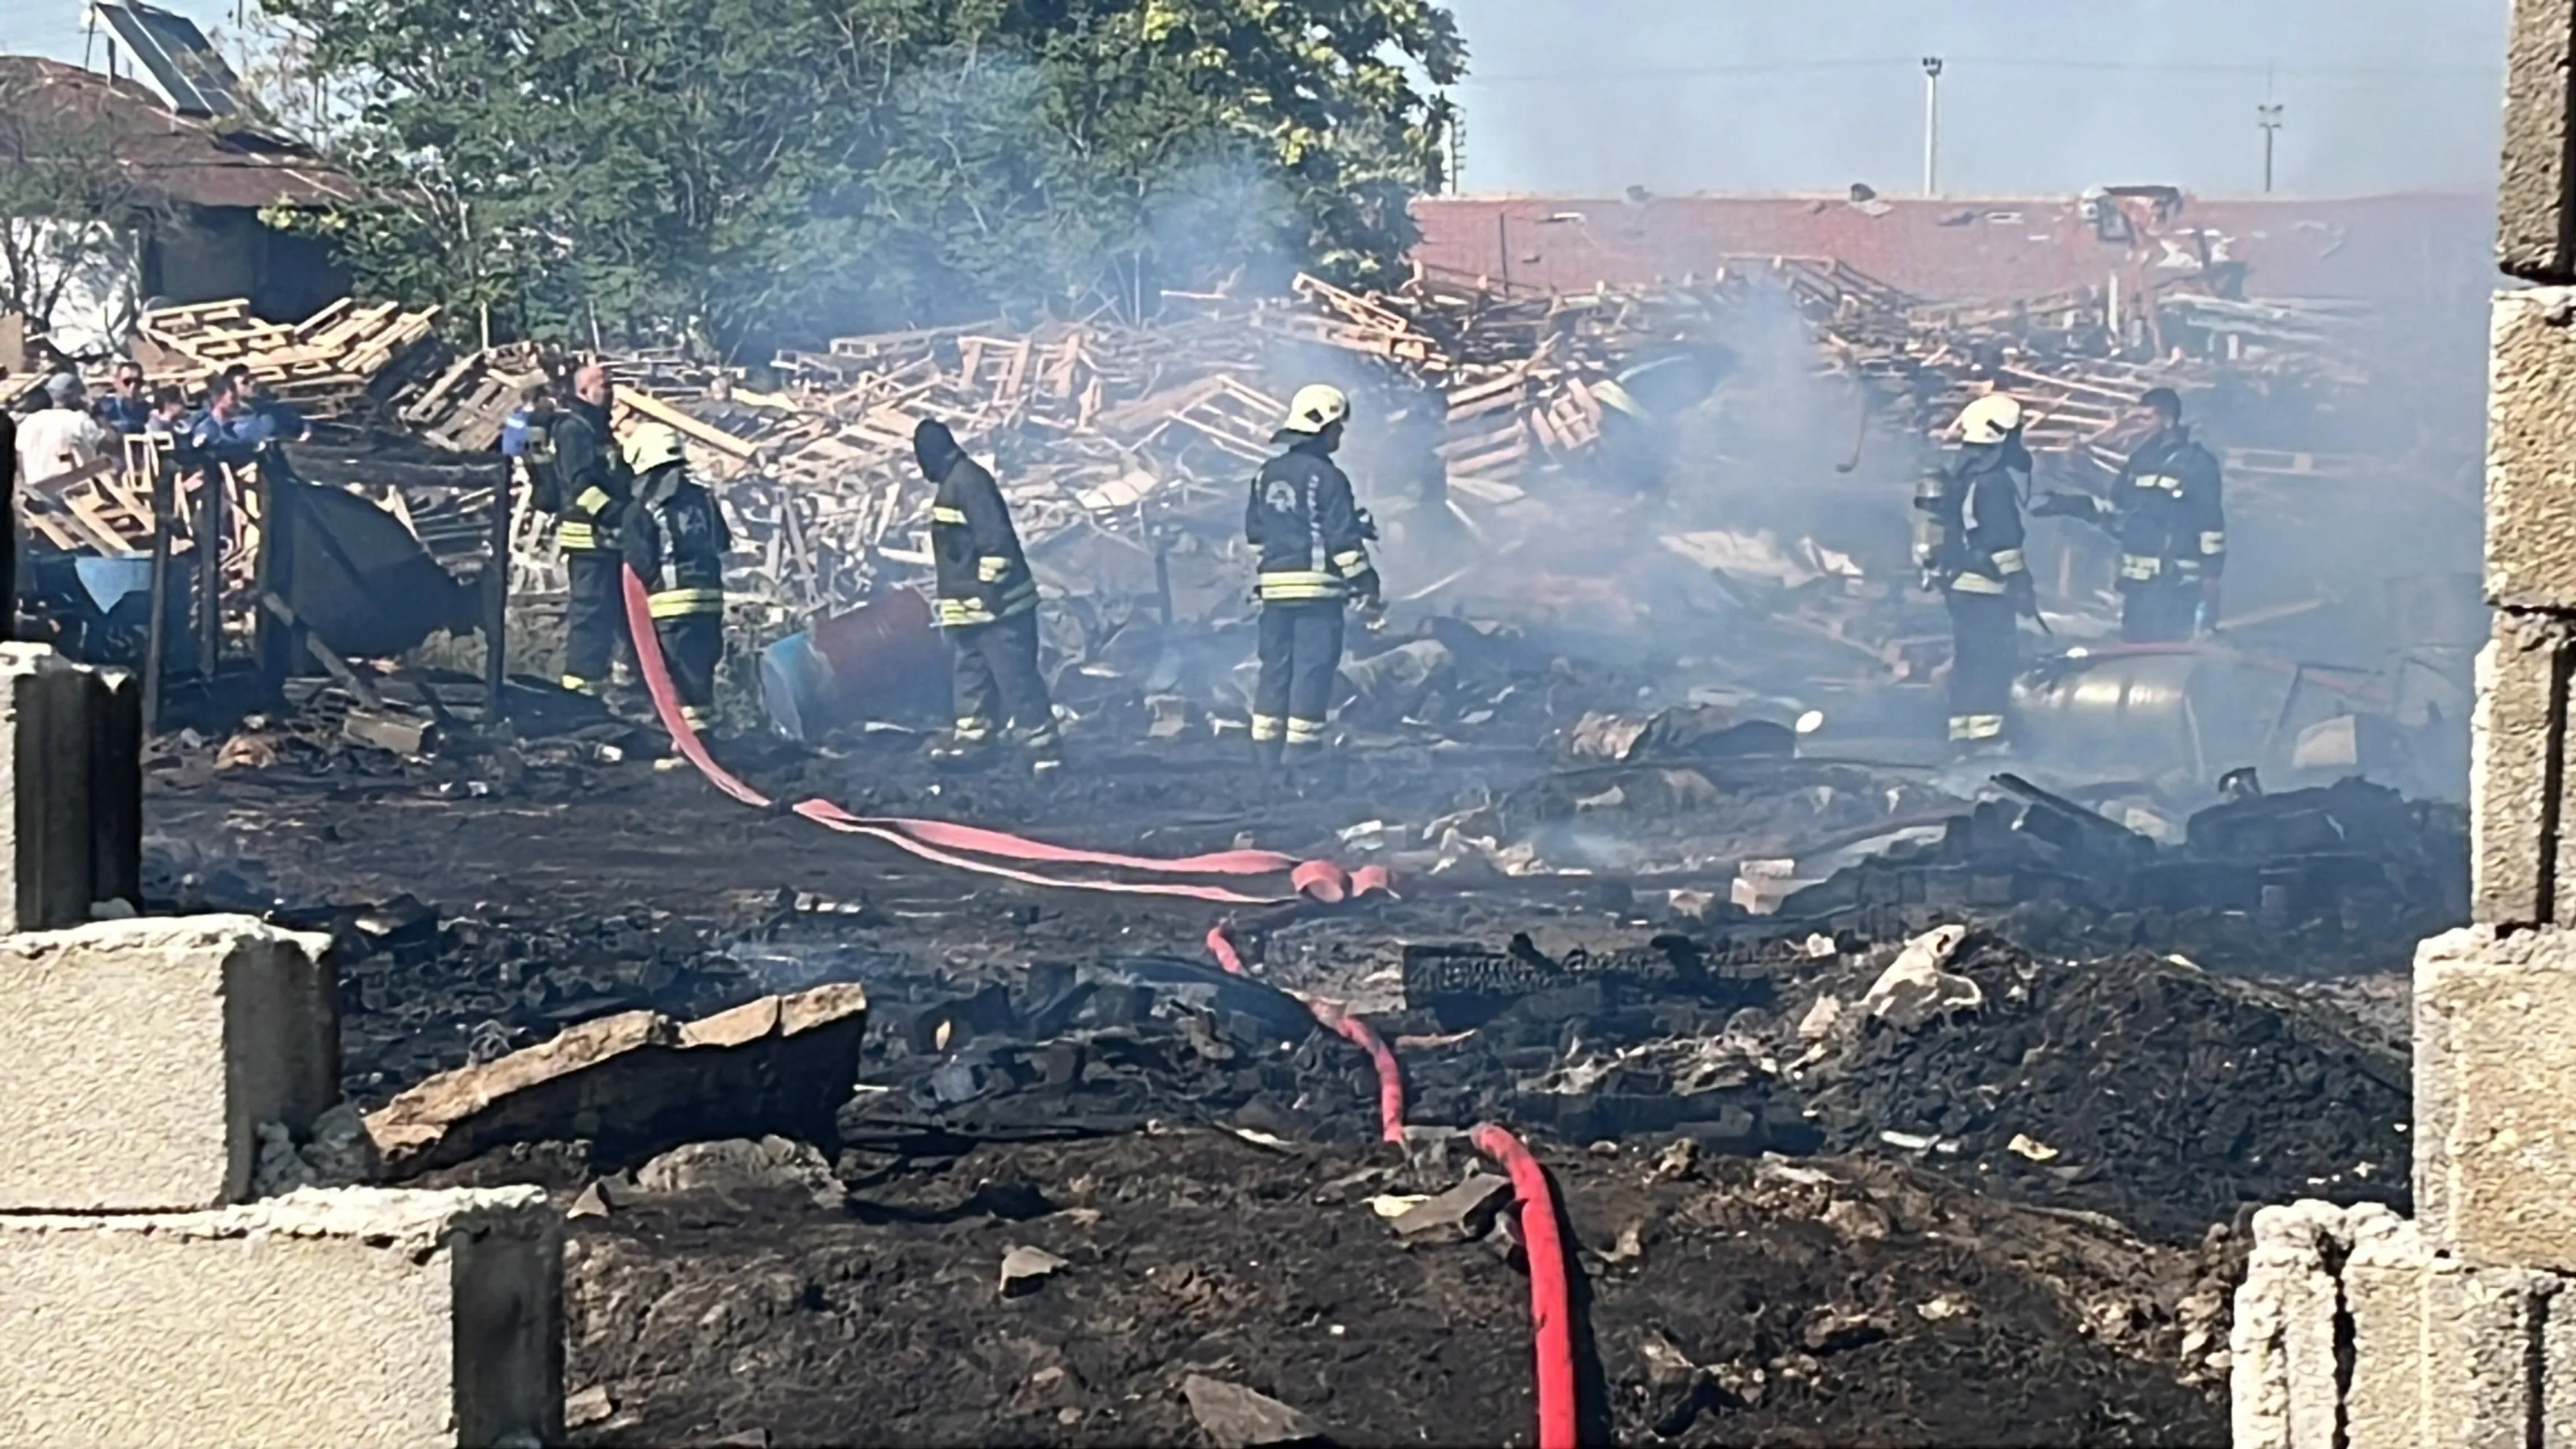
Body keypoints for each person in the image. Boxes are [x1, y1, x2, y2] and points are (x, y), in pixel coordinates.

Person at [1245, 383, 1381, 770]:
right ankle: (1301, 756)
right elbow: (1341, 541)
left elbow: (1257, 531)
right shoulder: (1329, 477)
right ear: (1323, 428)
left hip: (1273, 593)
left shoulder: (1265, 475)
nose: (1339, 436)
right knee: (1312, 669)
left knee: (1274, 668)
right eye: (1337, 429)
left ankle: (1265, 756)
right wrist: (1365, 580)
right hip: (1318, 596)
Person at [917, 417, 1058, 771]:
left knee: (1015, 678)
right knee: (971, 678)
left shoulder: (969, 482)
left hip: (998, 609)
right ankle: (975, 742)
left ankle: (1042, 751)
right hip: (971, 613)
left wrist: (988, 591)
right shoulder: (954, 483)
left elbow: (996, 543)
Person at [2033, 386, 2224, 642]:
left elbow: (2210, 522)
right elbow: (2117, 512)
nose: (2140, 426)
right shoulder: (2140, 460)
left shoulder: (2197, 463)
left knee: (2168, 653)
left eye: (2147, 419)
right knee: (2135, 649)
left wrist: (2211, 574)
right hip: (2137, 586)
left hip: (2175, 583)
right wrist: (2070, 506)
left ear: (2168, 421)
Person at [1914, 392, 2034, 754]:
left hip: (1958, 584)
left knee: (1968, 658)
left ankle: (1962, 733)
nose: (2019, 442)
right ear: (1999, 435)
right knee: (1992, 659)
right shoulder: (1993, 481)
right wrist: (2020, 582)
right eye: (2015, 434)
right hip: (1987, 586)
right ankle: (1986, 739)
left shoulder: (1960, 475)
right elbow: (2003, 541)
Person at [618, 422, 730, 733]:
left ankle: (687, 745)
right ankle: (704, 739)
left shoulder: (641, 507)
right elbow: (721, 542)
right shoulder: (704, 498)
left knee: (672, 681)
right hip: (709, 602)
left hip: (670, 607)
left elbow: (639, 561)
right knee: (700, 675)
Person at [543, 362, 634, 697]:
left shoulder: (600, 430)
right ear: (583, 391)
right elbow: (580, 485)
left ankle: (626, 685)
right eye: (603, 385)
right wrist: (617, 514)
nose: (610, 392)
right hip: (588, 536)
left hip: (610, 538)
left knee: (622, 612)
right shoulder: (573, 429)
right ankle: (579, 688)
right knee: (591, 611)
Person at [15, 372, 112, 495]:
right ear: (75, 397)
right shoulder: (78, 419)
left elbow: (19, 458)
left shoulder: (29, 421)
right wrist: (101, 418)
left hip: (36, 494)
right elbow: (109, 445)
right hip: (73, 490)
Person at [94, 361, 151, 435]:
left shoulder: (145, 408)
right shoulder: (103, 407)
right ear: (116, 382)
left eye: (137, 382)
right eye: (127, 381)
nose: (132, 386)